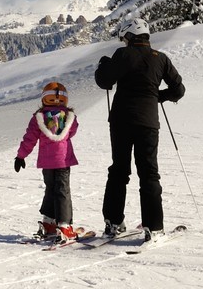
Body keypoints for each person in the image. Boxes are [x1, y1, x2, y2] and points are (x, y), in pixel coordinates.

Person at [94, 18, 185, 241]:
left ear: (130, 35)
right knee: (149, 174)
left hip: (120, 121)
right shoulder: (161, 58)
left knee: (119, 171)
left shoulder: (123, 54)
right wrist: (157, 96)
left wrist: (103, 65)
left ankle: (113, 223)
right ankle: (153, 227)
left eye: (124, 38)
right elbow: (178, 90)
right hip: (148, 123)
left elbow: (104, 81)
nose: (124, 42)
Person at [14, 80, 82, 241]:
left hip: (46, 162)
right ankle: (64, 226)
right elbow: (72, 132)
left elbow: (29, 138)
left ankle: (49, 223)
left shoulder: (39, 117)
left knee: (50, 189)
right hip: (63, 161)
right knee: (62, 191)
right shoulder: (69, 117)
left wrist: (20, 156)